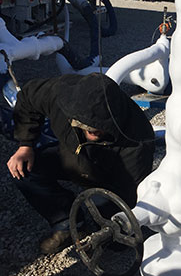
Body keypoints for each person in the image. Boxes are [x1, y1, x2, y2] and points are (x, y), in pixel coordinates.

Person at [7, 73, 155, 254]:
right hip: (70, 157)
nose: (94, 130)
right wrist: (25, 145)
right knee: (24, 171)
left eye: (101, 127)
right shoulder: (59, 92)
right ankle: (66, 224)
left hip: (108, 175)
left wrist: (112, 219)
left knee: (118, 243)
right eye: (86, 126)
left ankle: (107, 226)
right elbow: (27, 98)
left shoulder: (137, 137)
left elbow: (130, 189)